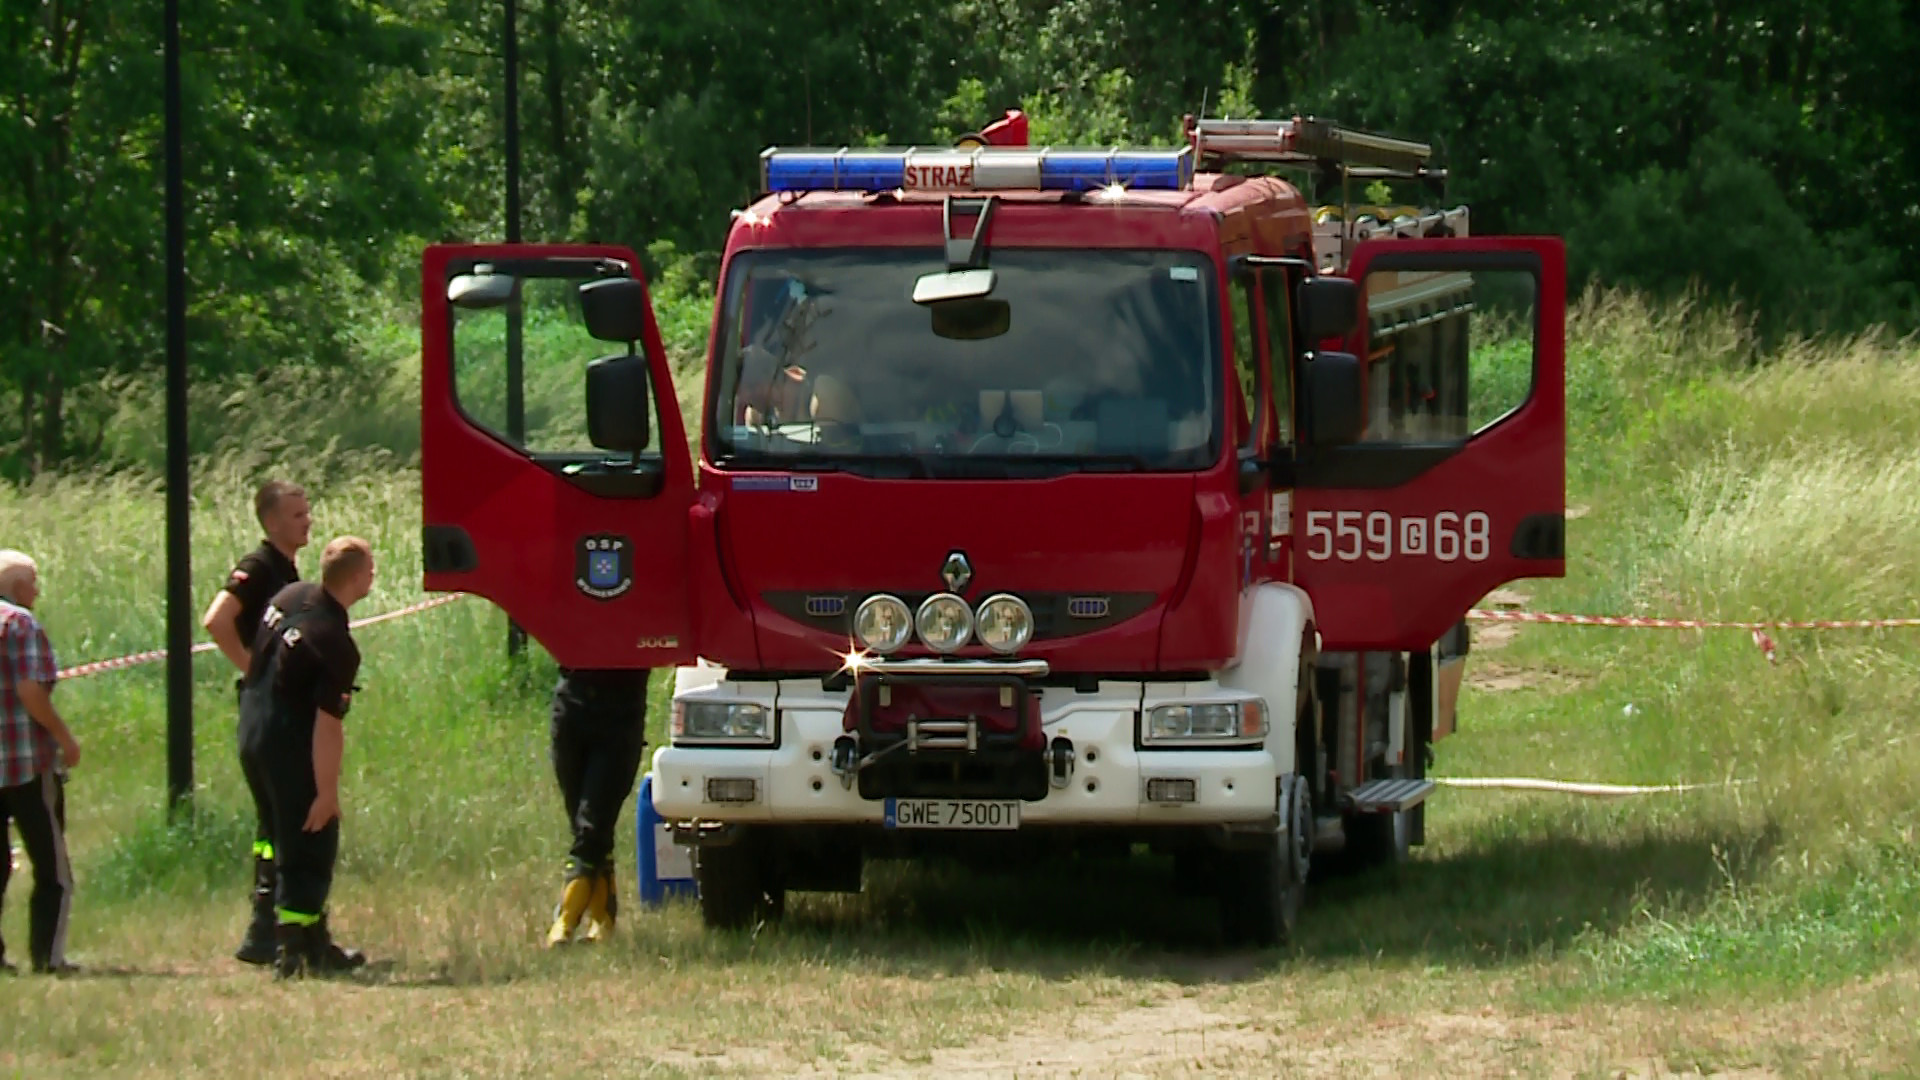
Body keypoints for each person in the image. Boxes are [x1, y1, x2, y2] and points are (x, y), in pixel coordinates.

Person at [238, 536, 374, 979]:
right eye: (370, 570)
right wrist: (327, 793)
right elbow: (327, 724)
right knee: (311, 839)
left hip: (251, 731)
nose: (373, 577)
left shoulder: (289, 596)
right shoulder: (334, 642)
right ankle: (294, 951)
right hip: (287, 741)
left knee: (275, 833)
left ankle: (301, 940)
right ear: (356, 577)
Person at [202, 479, 311, 965]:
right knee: (284, 818)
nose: (306, 521)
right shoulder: (259, 566)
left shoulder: (287, 567)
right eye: (295, 515)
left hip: (281, 706)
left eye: (307, 513)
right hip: (268, 712)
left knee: (271, 824)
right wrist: (252, 668)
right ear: (270, 522)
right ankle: (278, 928)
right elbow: (216, 619)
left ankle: (264, 925)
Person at [0, 550, 82, 975]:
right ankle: (48, 957)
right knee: (52, 865)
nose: (38, 589)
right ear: (16, 588)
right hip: (25, 762)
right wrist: (63, 737)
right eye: (33, 581)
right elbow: (30, 690)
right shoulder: (21, 624)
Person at [545, 667, 652, 947]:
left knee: (592, 827)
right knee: (584, 824)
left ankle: (566, 921)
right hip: (571, 704)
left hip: (621, 712)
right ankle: (602, 920)